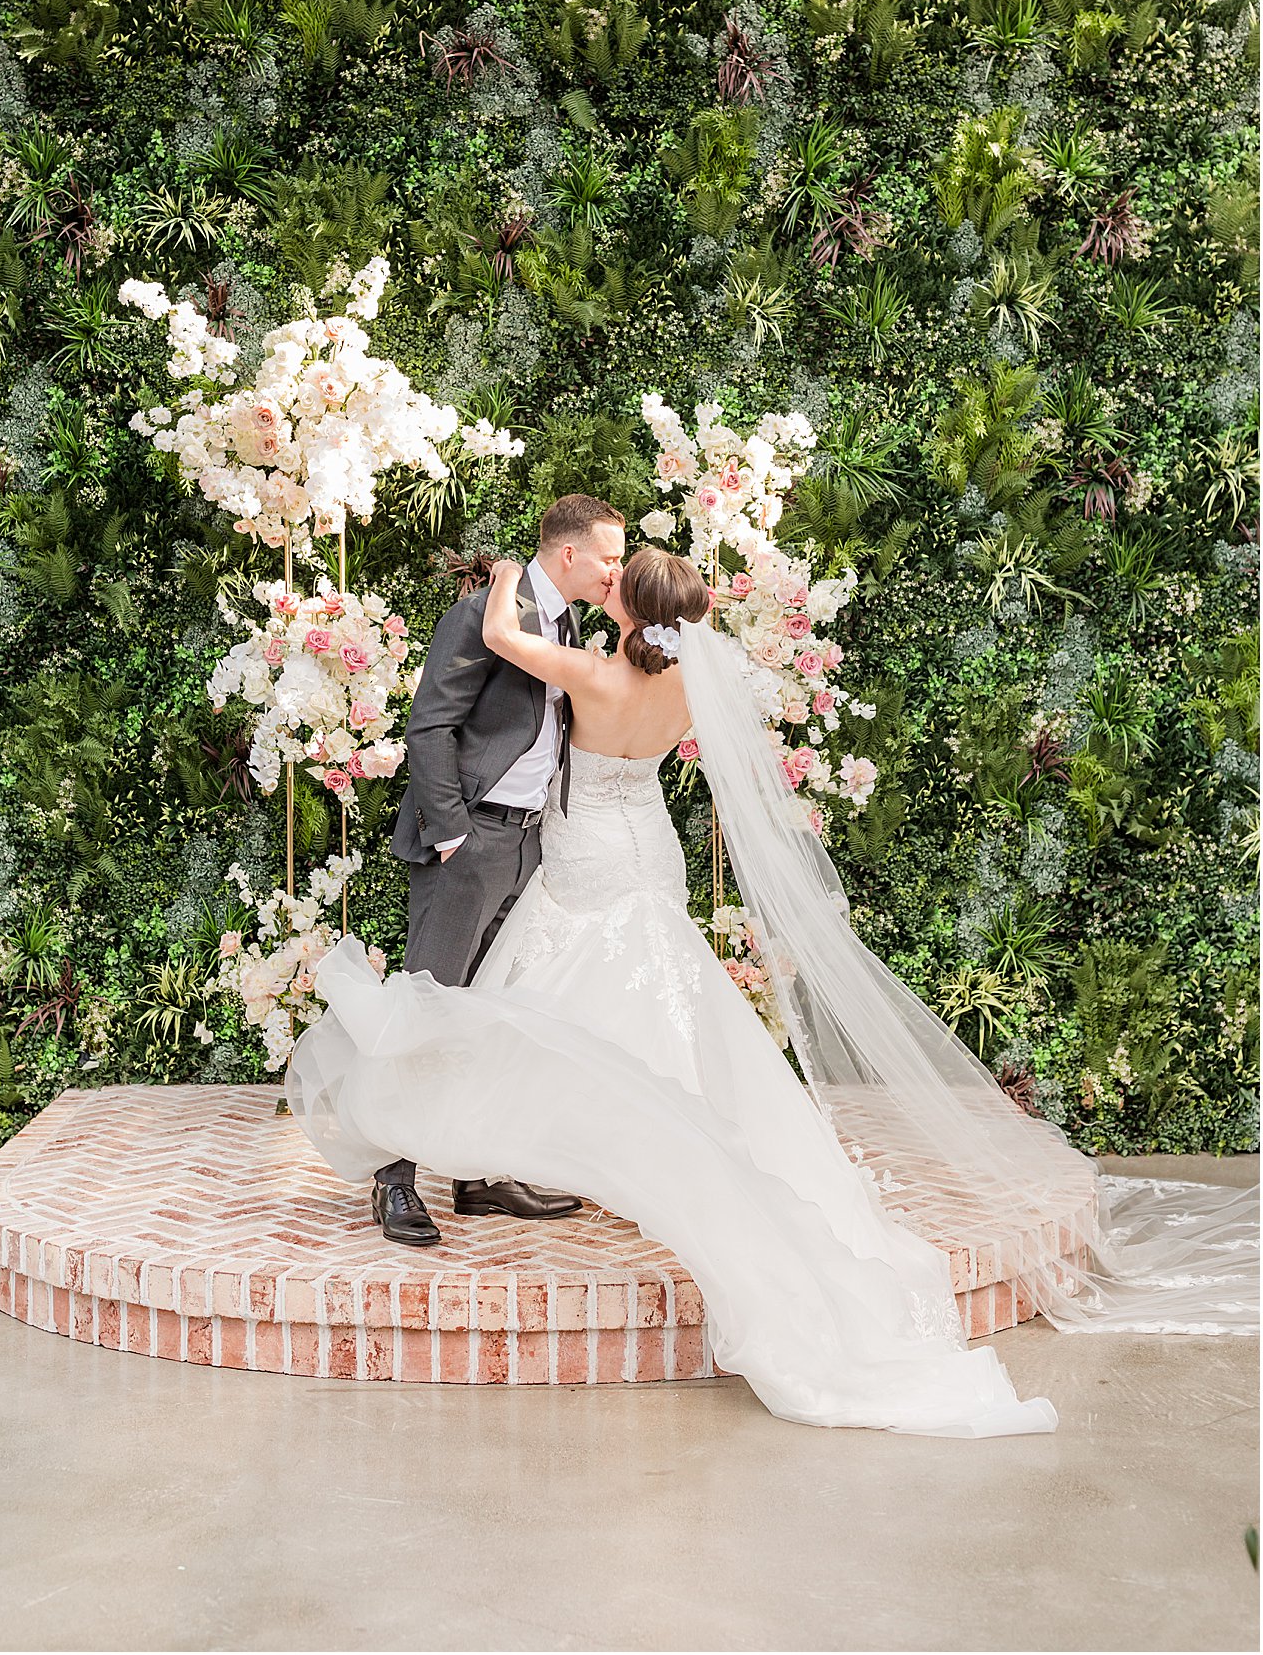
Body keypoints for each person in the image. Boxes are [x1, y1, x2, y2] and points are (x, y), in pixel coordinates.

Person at [288, 546, 1257, 1437]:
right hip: (648, 854)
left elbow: (501, 635)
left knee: (544, 999)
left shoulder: (595, 671)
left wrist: (507, 575)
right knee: (660, 1003)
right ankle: (613, 1143)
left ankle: (537, 1146)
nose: (610, 582)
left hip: (584, 858)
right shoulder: (681, 693)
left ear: (629, 616)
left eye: (621, 582)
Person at [373, 494, 626, 1246]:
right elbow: (429, 724)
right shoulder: (490, 610)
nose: (617, 569)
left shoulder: (570, 619)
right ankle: (395, 1179)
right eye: (609, 556)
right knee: (428, 1007)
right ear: (570, 553)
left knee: (490, 1011)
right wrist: (451, 831)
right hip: (471, 841)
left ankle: (476, 1172)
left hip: (526, 843)